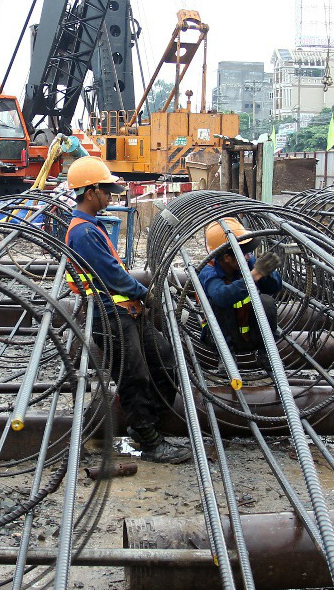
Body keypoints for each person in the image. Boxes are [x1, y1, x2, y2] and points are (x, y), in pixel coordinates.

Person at [64, 158, 189, 464]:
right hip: (112, 317)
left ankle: (146, 424)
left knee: (164, 358)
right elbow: (113, 277)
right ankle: (149, 441)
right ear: (91, 192)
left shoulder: (91, 227)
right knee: (135, 376)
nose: (111, 195)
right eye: (106, 190)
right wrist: (146, 294)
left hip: (126, 313)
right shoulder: (83, 233)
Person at [199, 218, 284, 352]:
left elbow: (274, 288)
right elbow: (221, 296)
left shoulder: (247, 262)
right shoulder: (208, 271)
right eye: (243, 253)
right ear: (227, 258)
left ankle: (265, 351)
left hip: (250, 335)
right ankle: (226, 354)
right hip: (220, 339)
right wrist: (255, 275)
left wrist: (268, 273)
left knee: (266, 301)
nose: (248, 256)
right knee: (219, 303)